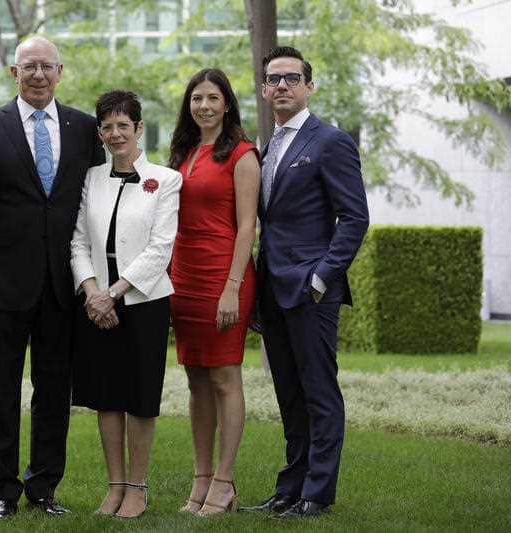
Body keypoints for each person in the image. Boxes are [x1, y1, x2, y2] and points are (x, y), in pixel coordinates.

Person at [0, 36, 105, 519]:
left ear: (60, 71)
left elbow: (94, 208)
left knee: (54, 389)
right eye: (29, 67)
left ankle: (44, 487)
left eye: (46, 66)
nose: (38, 74)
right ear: (12, 73)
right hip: (2, 283)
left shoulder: (86, 129)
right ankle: (2, 490)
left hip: (64, 283)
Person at [239, 46, 369, 519]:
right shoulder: (268, 144)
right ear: (263, 88)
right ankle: (289, 489)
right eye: (273, 79)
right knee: (289, 396)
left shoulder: (330, 141)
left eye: (291, 78)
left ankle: (317, 493)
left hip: (311, 291)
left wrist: (321, 277)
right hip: (273, 290)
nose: (281, 87)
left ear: (309, 86)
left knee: (319, 393)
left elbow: (354, 218)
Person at [70, 90, 182, 518]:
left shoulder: (166, 180)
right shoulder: (90, 178)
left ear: (139, 129)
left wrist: (113, 293)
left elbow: (161, 248)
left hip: (143, 300)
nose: (116, 134)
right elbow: (78, 240)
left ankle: (137, 487)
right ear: (100, 132)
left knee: (139, 396)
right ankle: (114, 486)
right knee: (106, 395)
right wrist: (92, 290)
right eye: (108, 126)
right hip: (95, 301)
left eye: (124, 125)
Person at [167, 68, 261, 517]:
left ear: (227, 103)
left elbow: (247, 226)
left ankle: (224, 482)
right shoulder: (183, 152)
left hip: (223, 276)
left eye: (212, 98)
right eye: (197, 98)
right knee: (196, 379)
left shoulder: (241, 154)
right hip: (182, 277)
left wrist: (232, 287)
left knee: (224, 377)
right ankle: (200, 479)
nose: (204, 105)